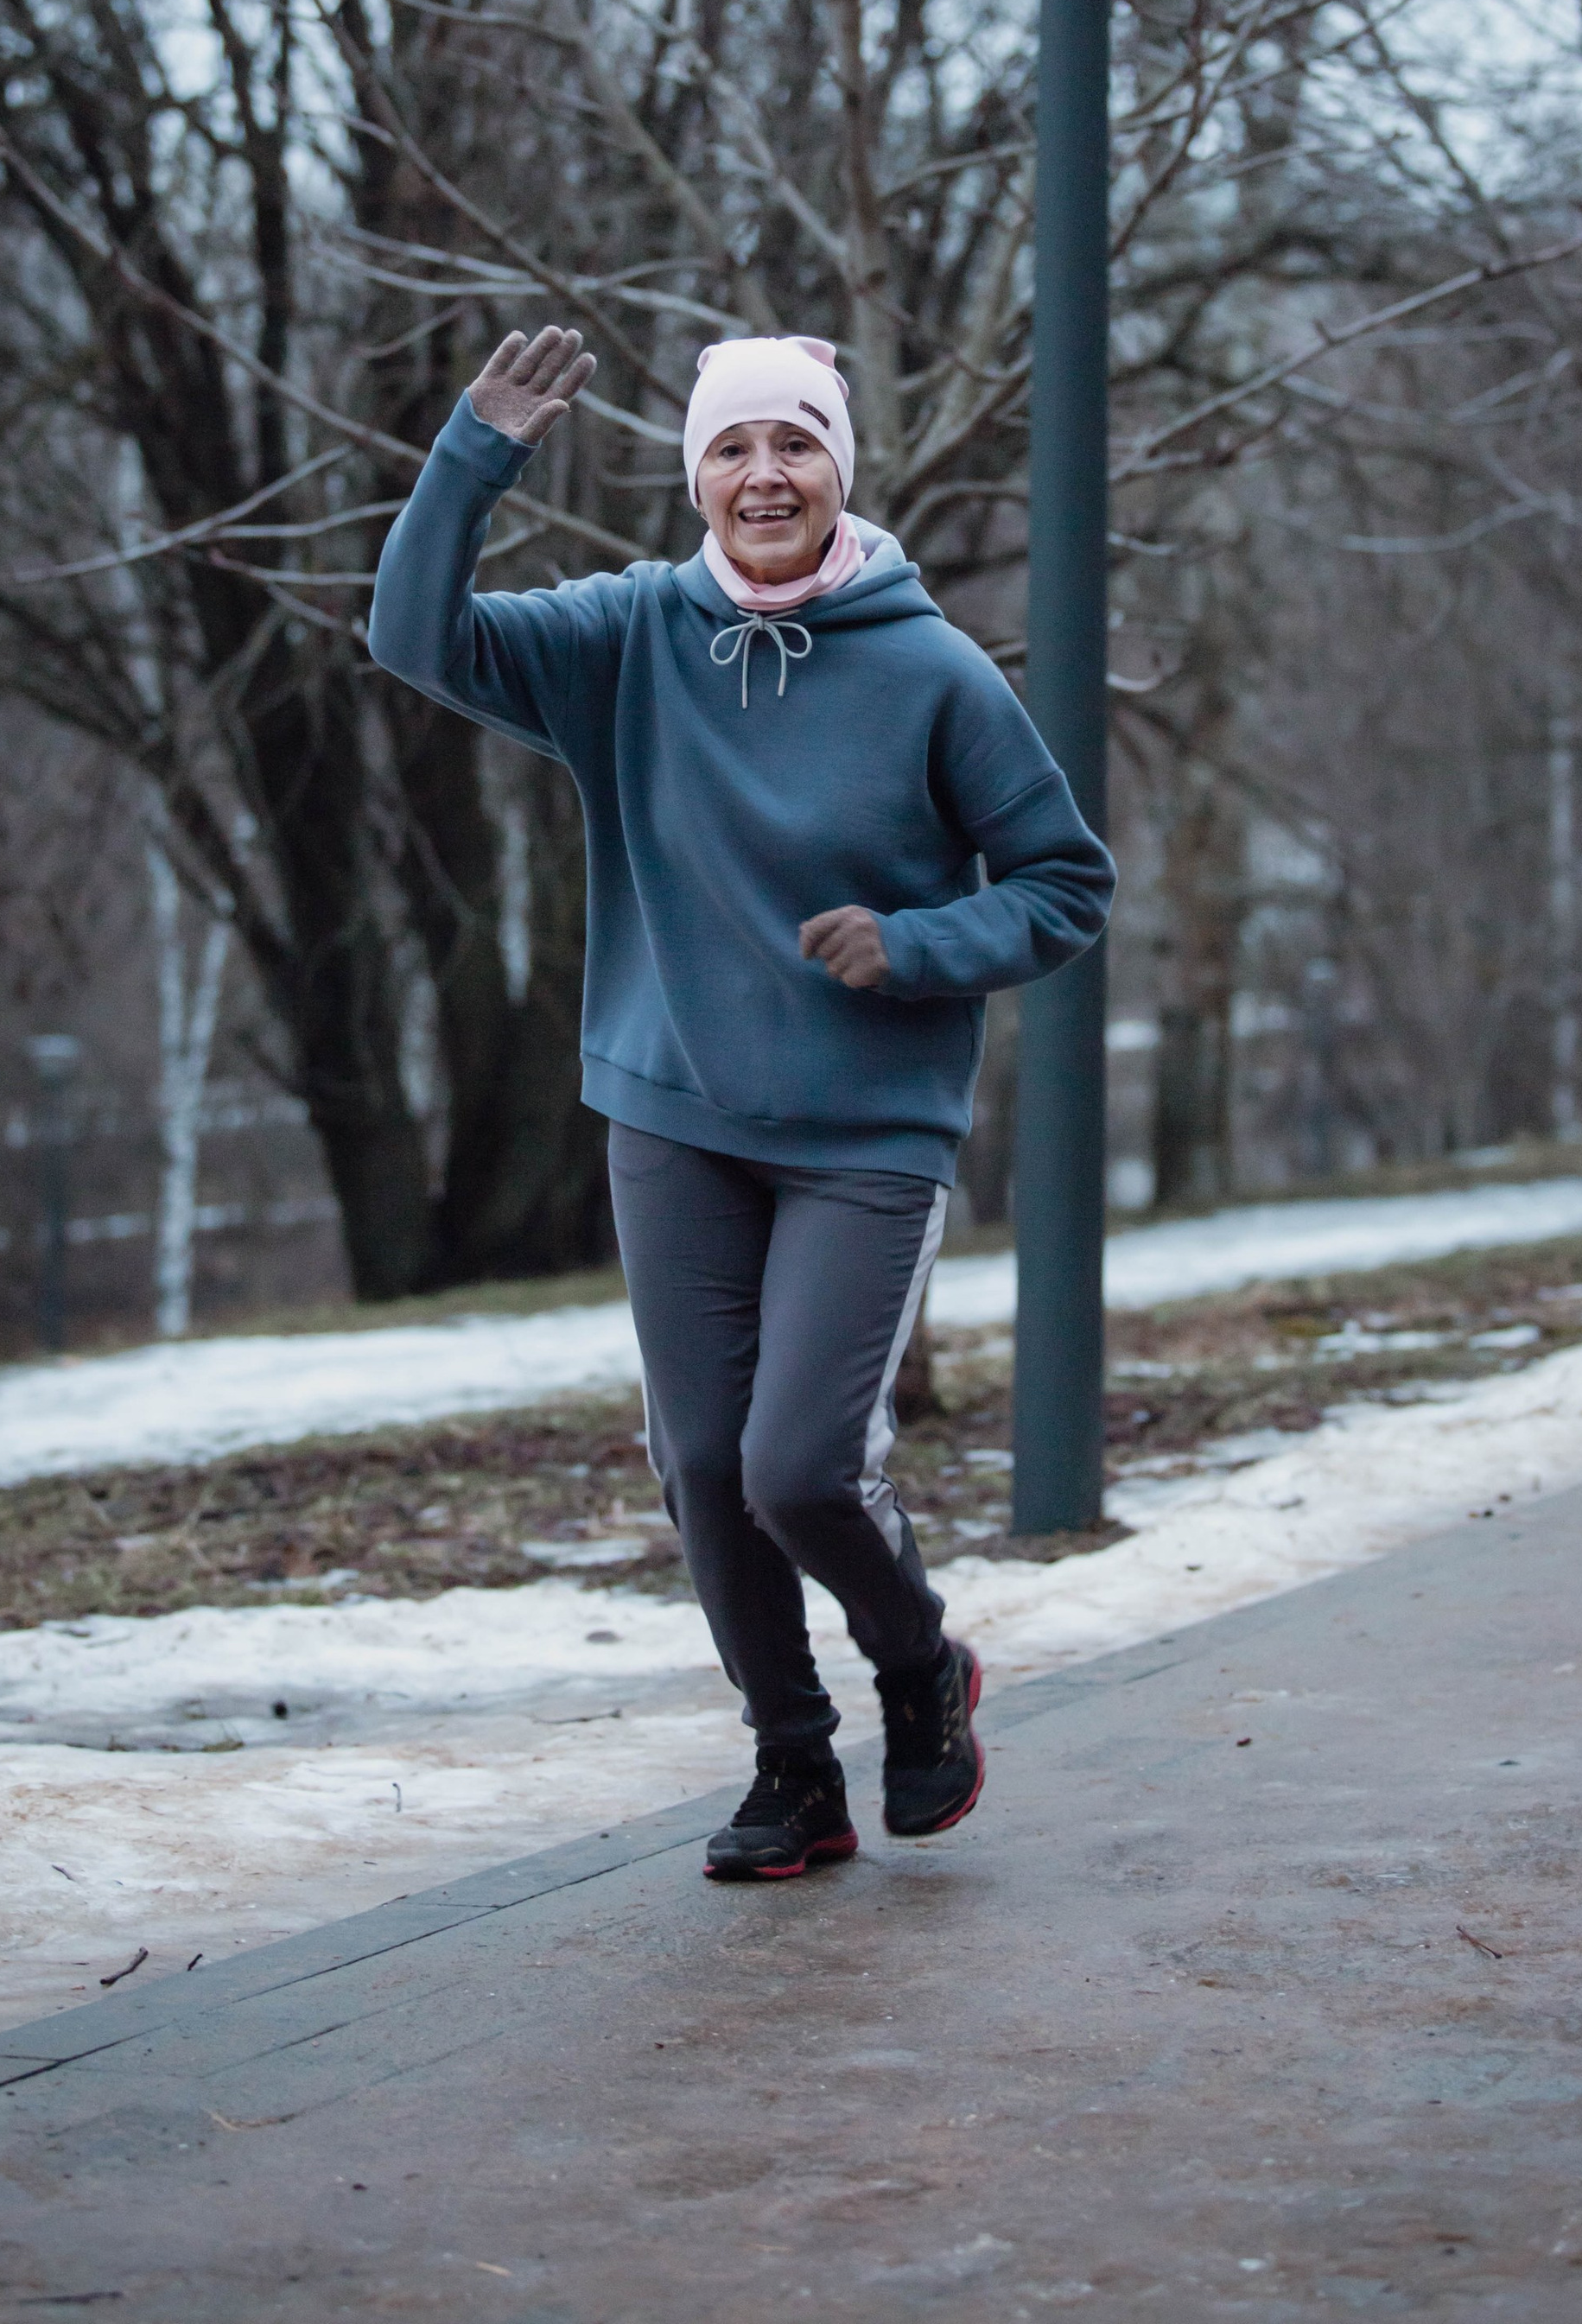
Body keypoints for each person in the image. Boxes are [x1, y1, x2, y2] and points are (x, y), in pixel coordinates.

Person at [369, 325, 1115, 1881]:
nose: (762, 473)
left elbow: (1062, 885)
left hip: (864, 1137)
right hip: (673, 1110)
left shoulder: (932, 671)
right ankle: (794, 1764)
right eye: (730, 448)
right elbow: (415, 639)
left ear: (841, 466)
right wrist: (472, 456)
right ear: (694, 476)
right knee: (703, 1466)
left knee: (796, 1468)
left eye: (794, 444)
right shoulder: (628, 635)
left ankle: (919, 1668)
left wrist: (917, 946)